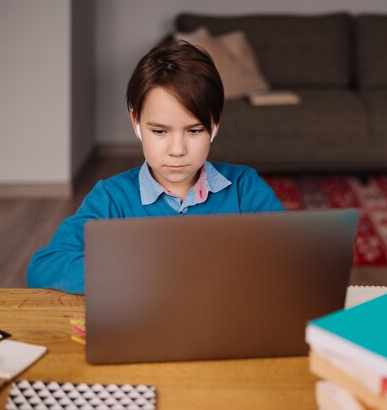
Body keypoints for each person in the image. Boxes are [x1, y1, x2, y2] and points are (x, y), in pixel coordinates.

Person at [26, 41, 284, 294]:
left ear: (214, 125)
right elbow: (45, 266)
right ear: (136, 122)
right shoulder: (111, 199)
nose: (177, 149)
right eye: (160, 131)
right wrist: (140, 272)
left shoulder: (244, 188)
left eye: (194, 131)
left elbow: (290, 257)